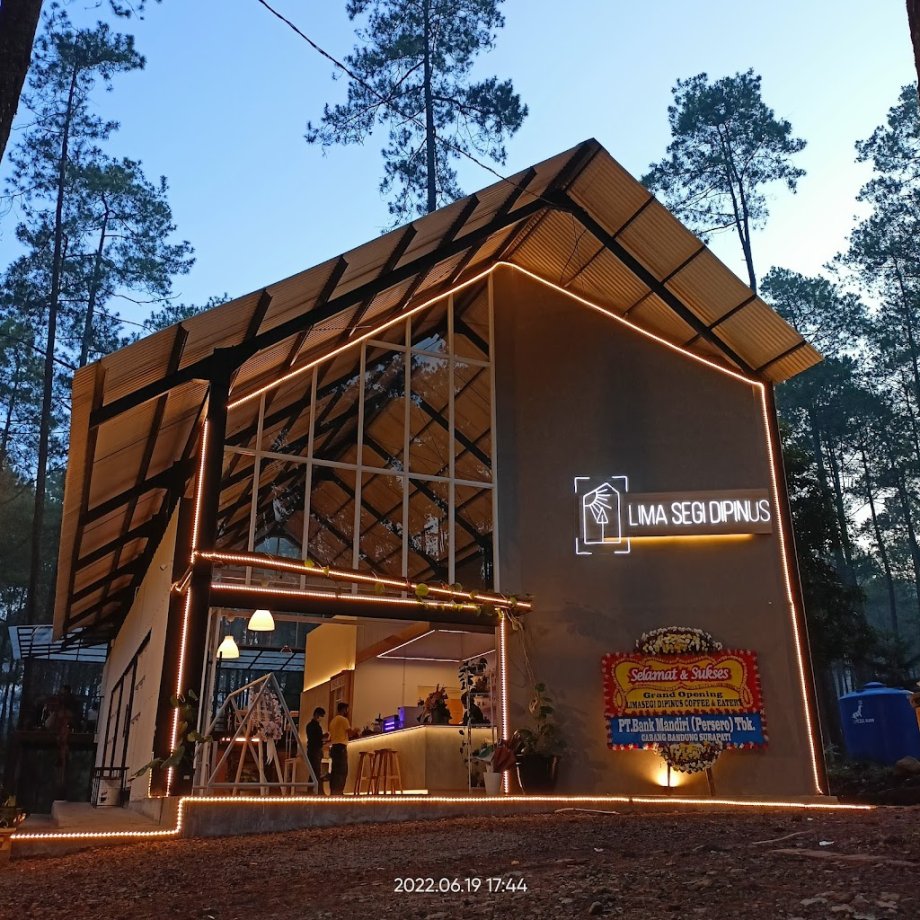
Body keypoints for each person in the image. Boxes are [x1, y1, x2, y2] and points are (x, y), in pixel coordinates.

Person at [327, 701, 352, 795]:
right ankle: (339, 791)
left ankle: (333, 791)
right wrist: (356, 730)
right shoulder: (344, 720)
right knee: (342, 770)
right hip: (341, 748)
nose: (347, 711)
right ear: (344, 709)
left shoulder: (333, 721)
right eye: (346, 709)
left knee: (334, 771)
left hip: (333, 748)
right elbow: (350, 733)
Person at [305, 707, 326, 794]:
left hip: (312, 750)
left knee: (313, 771)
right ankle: (319, 791)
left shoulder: (309, 726)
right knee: (316, 771)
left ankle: (311, 791)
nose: (321, 718)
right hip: (315, 750)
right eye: (321, 716)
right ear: (317, 715)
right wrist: (323, 737)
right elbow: (316, 739)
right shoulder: (315, 726)